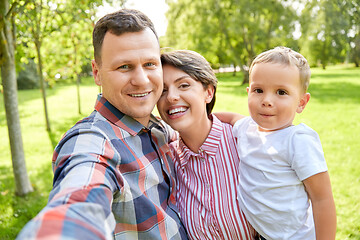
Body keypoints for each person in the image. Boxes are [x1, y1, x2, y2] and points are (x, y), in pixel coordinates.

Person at [17, 9, 188, 240]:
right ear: (97, 73)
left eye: (149, 64)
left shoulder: (162, 129)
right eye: (124, 67)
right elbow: (81, 195)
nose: (141, 80)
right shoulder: (92, 140)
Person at [220, 46, 336, 239]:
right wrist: (203, 118)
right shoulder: (246, 127)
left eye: (281, 92)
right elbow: (231, 117)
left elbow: (322, 198)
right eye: (258, 90)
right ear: (248, 92)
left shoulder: (297, 140)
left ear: (301, 103)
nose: (266, 100)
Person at [156, 50, 256, 239]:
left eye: (184, 85)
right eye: (162, 90)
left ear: (208, 92)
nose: (171, 97)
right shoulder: (167, 161)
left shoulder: (244, 141)